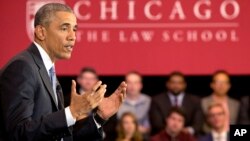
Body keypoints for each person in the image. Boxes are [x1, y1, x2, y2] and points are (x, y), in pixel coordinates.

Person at [0, 3, 127, 141]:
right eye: (64, 28)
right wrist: (72, 112)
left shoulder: (48, 71)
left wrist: (99, 118)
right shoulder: (22, 67)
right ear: (41, 32)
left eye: (74, 29)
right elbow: (18, 133)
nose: (73, 36)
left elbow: (64, 138)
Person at [117, 71, 151, 137]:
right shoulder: (118, 101)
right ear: (124, 85)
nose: (132, 86)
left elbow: (149, 126)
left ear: (141, 85)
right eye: (129, 82)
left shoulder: (148, 101)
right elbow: (116, 126)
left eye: (136, 83)